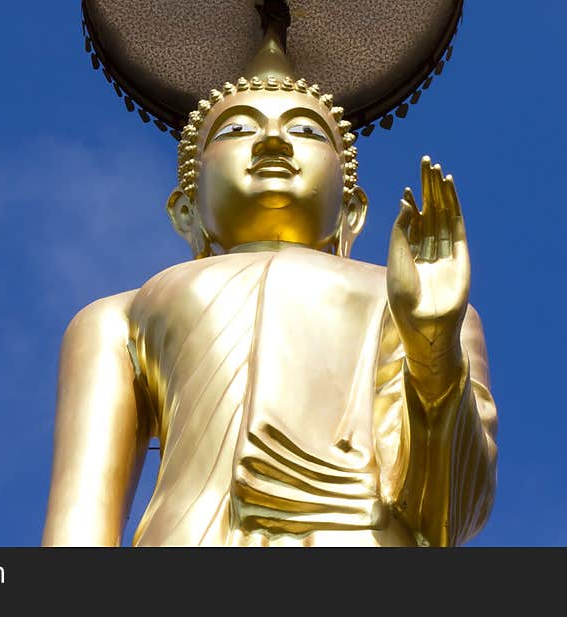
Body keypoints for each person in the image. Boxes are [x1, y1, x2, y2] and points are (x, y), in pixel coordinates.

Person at [42, 58, 497, 547]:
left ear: (352, 211)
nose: (273, 142)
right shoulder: (120, 317)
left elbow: (451, 515)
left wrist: (433, 348)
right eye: (236, 129)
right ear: (186, 210)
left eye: (307, 130)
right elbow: (80, 517)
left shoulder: (418, 304)